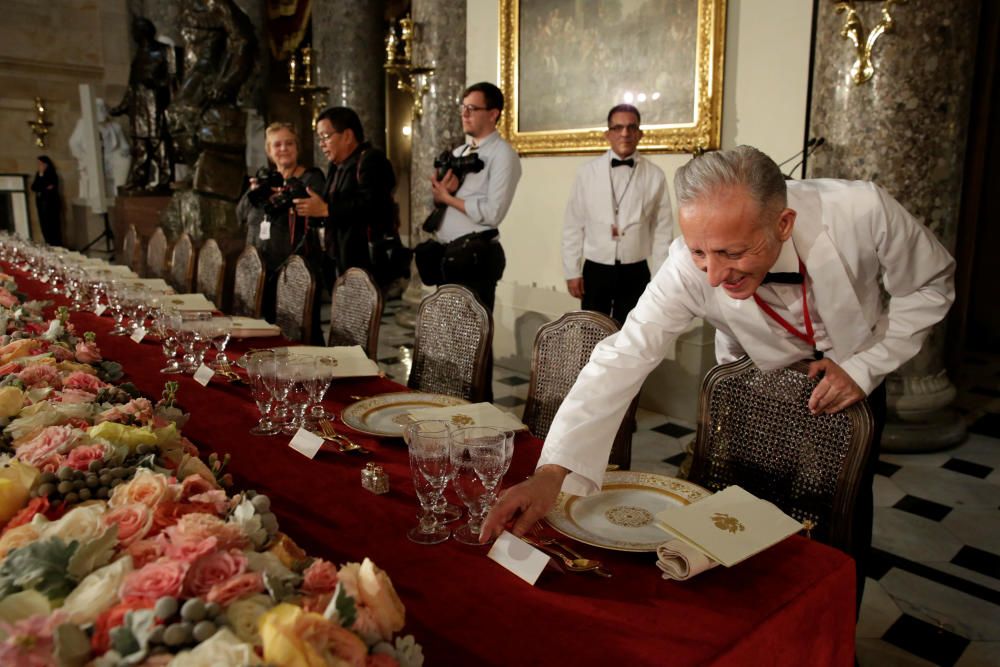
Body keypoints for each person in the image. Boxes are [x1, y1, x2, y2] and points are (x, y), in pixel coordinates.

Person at [482, 146, 955, 606]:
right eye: (699, 253)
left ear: (783, 223)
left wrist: (864, 366)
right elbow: (624, 354)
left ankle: (831, 639)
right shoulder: (689, 266)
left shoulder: (861, 211)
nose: (712, 276)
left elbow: (931, 284)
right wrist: (552, 471)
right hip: (752, 390)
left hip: (850, 385)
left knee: (836, 529)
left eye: (732, 253)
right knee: (737, 526)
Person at [563, 104, 673, 323]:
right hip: (596, 268)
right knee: (591, 330)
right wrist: (572, 270)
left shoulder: (655, 175)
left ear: (640, 134)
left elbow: (663, 231)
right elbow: (573, 225)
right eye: (618, 127)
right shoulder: (587, 173)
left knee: (631, 332)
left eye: (632, 127)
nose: (625, 133)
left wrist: (660, 277)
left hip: (636, 269)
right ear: (608, 134)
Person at [427, 82, 522, 311]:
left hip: (475, 257)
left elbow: (492, 213)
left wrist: (448, 199)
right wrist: (441, 196)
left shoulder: (503, 155)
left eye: (472, 108)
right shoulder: (459, 152)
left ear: (493, 114)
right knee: (448, 333)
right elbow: (441, 201)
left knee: (473, 336)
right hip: (448, 255)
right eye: (463, 108)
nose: (465, 114)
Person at [293, 107, 398, 289]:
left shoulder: (372, 160)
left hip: (364, 260)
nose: (321, 144)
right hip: (339, 259)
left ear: (347, 136)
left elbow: (373, 204)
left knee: (360, 316)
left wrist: (326, 209)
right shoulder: (336, 166)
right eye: (320, 138)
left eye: (326, 136)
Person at [237, 122, 324, 326]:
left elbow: (312, 209)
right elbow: (240, 214)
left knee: (299, 328)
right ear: (269, 151)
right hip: (262, 269)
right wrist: (255, 191)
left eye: (289, 143)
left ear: (297, 148)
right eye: (277, 145)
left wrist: (287, 191)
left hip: (298, 269)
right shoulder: (264, 182)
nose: (283, 149)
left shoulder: (311, 178)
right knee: (264, 328)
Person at [109, 17, 173, 193]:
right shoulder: (137, 58)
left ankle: (165, 179)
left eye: (136, 30)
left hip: (155, 105)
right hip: (139, 108)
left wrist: (157, 82)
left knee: (158, 144)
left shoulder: (163, 52)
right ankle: (138, 180)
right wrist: (121, 107)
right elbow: (131, 87)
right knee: (140, 148)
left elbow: (173, 79)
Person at [31, 156, 62, 247]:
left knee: (52, 226)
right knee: (44, 225)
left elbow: (50, 188)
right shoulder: (39, 174)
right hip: (41, 203)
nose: (39, 166)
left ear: (46, 164)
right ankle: (48, 244)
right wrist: (41, 177)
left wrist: (42, 186)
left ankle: (56, 245)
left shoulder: (52, 174)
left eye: (40, 164)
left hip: (50, 204)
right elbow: (34, 187)